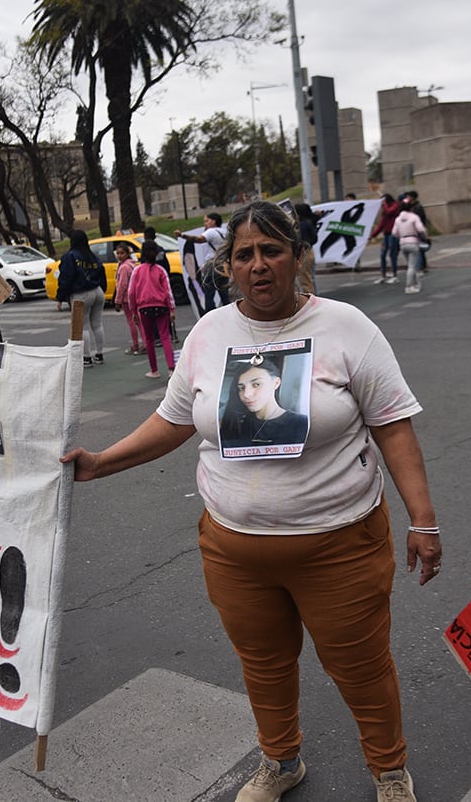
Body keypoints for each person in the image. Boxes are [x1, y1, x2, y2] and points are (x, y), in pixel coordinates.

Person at [61, 200, 443, 802]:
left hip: (339, 546)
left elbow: (394, 426)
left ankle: (389, 772)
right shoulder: (210, 334)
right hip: (235, 552)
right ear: (228, 267)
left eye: (272, 251)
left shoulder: (347, 328)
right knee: (263, 667)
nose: (259, 265)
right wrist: (101, 463)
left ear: (297, 256)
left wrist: (425, 521)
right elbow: (174, 420)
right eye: (244, 255)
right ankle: (281, 761)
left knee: (363, 670)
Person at [220, 358, 308, 448]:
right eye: (241, 388)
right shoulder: (236, 423)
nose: (246, 395)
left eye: (256, 384)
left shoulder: (302, 424)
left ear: (276, 383)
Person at [55, 231, 107, 367]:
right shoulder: (92, 256)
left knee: (82, 327)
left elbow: (66, 278)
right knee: (97, 324)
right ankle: (99, 354)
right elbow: (102, 272)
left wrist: (60, 297)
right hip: (98, 291)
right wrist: (102, 289)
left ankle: (86, 357)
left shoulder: (70, 257)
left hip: (81, 294)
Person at [128, 243, 176, 379]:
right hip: (161, 306)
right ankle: (171, 368)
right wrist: (171, 309)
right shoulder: (161, 270)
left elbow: (131, 292)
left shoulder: (136, 271)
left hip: (144, 308)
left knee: (149, 339)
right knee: (165, 337)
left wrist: (133, 311)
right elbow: (168, 292)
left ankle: (154, 370)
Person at [176, 212, 230, 310]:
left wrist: (182, 235)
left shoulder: (211, 232)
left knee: (209, 295)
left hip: (212, 265)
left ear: (214, 221)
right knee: (224, 294)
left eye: (207, 221)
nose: (205, 224)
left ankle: (211, 317)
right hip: (224, 265)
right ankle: (229, 316)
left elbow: (198, 239)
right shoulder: (224, 232)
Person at [113, 244, 143, 355]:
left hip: (127, 298)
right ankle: (144, 342)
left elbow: (122, 285)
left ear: (127, 254)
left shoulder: (124, 267)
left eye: (122, 253)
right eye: (118, 253)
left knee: (132, 321)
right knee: (138, 321)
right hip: (135, 296)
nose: (119, 255)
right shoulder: (131, 265)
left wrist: (117, 301)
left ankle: (135, 344)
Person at [393, 204, 428, 295]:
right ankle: (409, 286)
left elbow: (394, 233)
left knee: (410, 265)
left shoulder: (397, 219)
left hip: (403, 243)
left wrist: (400, 236)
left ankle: (416, 283)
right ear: (411, 208)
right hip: (413, 241)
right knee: (412, 266)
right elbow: (420, 229)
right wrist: (425, 237)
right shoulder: (414, 217)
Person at [370, 194, 404, 284]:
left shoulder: (395, 205)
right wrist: (373, 235)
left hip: (394, 234)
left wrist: (384, 204)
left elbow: (390, 212)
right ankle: (383, 275)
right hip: (387, 234)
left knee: (392, 254)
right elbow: (382, 224)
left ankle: (394, 275)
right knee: (382, 255)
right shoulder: (385, 210)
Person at [294, 203, 319, 295]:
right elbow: (315, 238)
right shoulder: (309, 222)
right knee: (311, 277)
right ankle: (315, 295)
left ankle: (310, 298)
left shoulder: (300, 225)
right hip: (310, 251)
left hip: (304, 252)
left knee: (305, 279)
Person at [402, 191, 431, 273]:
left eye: (408, 196)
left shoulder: (417, 207)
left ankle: (421, 267)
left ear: (412, 197)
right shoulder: (411, 207)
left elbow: (419, 220)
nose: (406, 198)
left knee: (420, 249)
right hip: (414, 230)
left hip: (418, 230)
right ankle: (423, 266)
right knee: (420, 248)